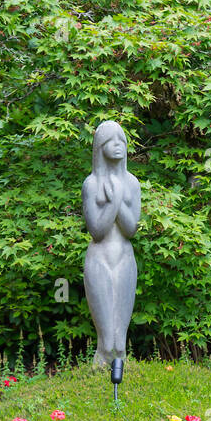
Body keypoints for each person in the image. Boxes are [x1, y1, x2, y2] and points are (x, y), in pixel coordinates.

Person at [82, 121, 141, 366]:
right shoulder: (91, 184)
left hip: (125, 258)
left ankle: (121, 372)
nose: (118, 146)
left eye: (122, 141)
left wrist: (116, 198)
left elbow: (130, 229)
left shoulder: (132, 183)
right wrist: (115, 200)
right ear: (100, 147)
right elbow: (97, 231)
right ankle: (99, 373)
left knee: (119, 340)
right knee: (106, 341)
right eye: (111, 141)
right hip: (99, 258)